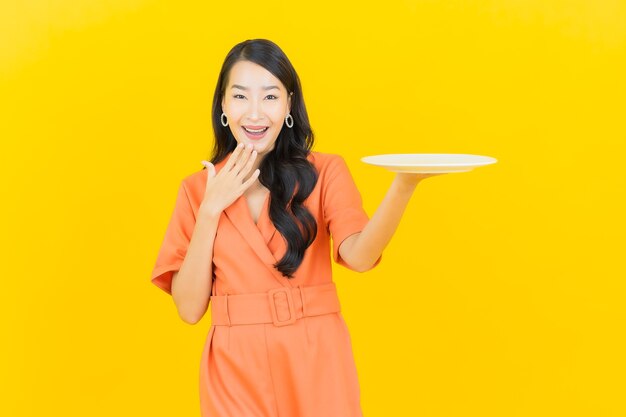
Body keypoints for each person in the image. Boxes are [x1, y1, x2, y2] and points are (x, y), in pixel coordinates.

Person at [150, 38, 442, 417]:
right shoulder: (195, 190)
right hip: (234, 368)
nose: (255, 113)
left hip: (316, 355)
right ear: (223, 106)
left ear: (289, 105)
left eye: (270, 97)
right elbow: (189, 310)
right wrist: (210, 210)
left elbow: (360, 256)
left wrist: (403, 185)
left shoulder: (326, 171)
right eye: (240, 97)